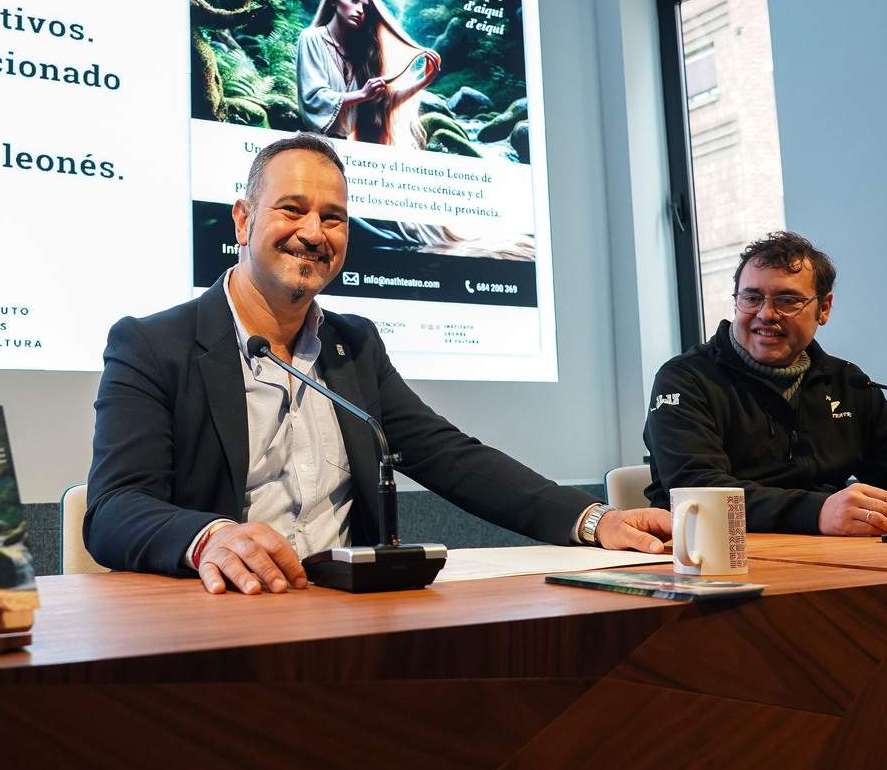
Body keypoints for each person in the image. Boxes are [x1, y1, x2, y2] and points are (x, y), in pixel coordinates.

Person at [86, 133, 672, 595]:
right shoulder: (152, 345)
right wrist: (209, 538)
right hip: (225, 615)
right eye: (292, 209)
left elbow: (449, 456)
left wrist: (595, 520)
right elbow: (114, 509)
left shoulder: (354, 346)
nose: (313, 234)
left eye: (334, 218)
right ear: (242, 220)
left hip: (350, 617)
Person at [643, 231, 887, 535]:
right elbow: (697, 491)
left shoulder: (847, 383)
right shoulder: (685, 379)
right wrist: (819, 511)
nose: (766, 313)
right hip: (714, 559)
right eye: (751, 298)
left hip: (833, 558)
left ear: (824, 309)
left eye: (787, 300)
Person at [297, 0, 440, 147]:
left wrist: (424, 81)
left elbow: (383, 104)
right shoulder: (312, 37)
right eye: (353, 0)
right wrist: (362, 94)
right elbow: (314, 98)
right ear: (333, 1)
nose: (360, 11)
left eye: (365, 8)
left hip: (342, 148)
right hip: (310, 144)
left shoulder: (360, 53)